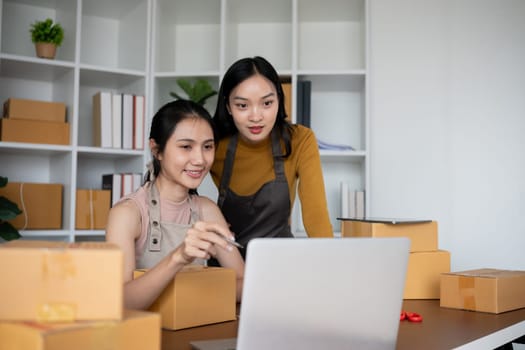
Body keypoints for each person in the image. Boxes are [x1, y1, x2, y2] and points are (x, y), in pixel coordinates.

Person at [106, 99, 244, 310]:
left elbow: (244, 283)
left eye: (207, 147)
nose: (199, 159)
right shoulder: (127, 214)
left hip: (195, 328)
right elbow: (121, 303)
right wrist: (179, 257)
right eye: (186, 147)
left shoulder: (206, 210)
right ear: (156, 149)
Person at [210, 56, 333, 260]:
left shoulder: (300, 140)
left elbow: (316, 216)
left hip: (279, 265)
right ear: (228, 107)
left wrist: (332, 269)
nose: (256, 116)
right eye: (243, 106)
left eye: (267, 103)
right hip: (226, 267)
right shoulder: (213, 144)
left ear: (279, 99)